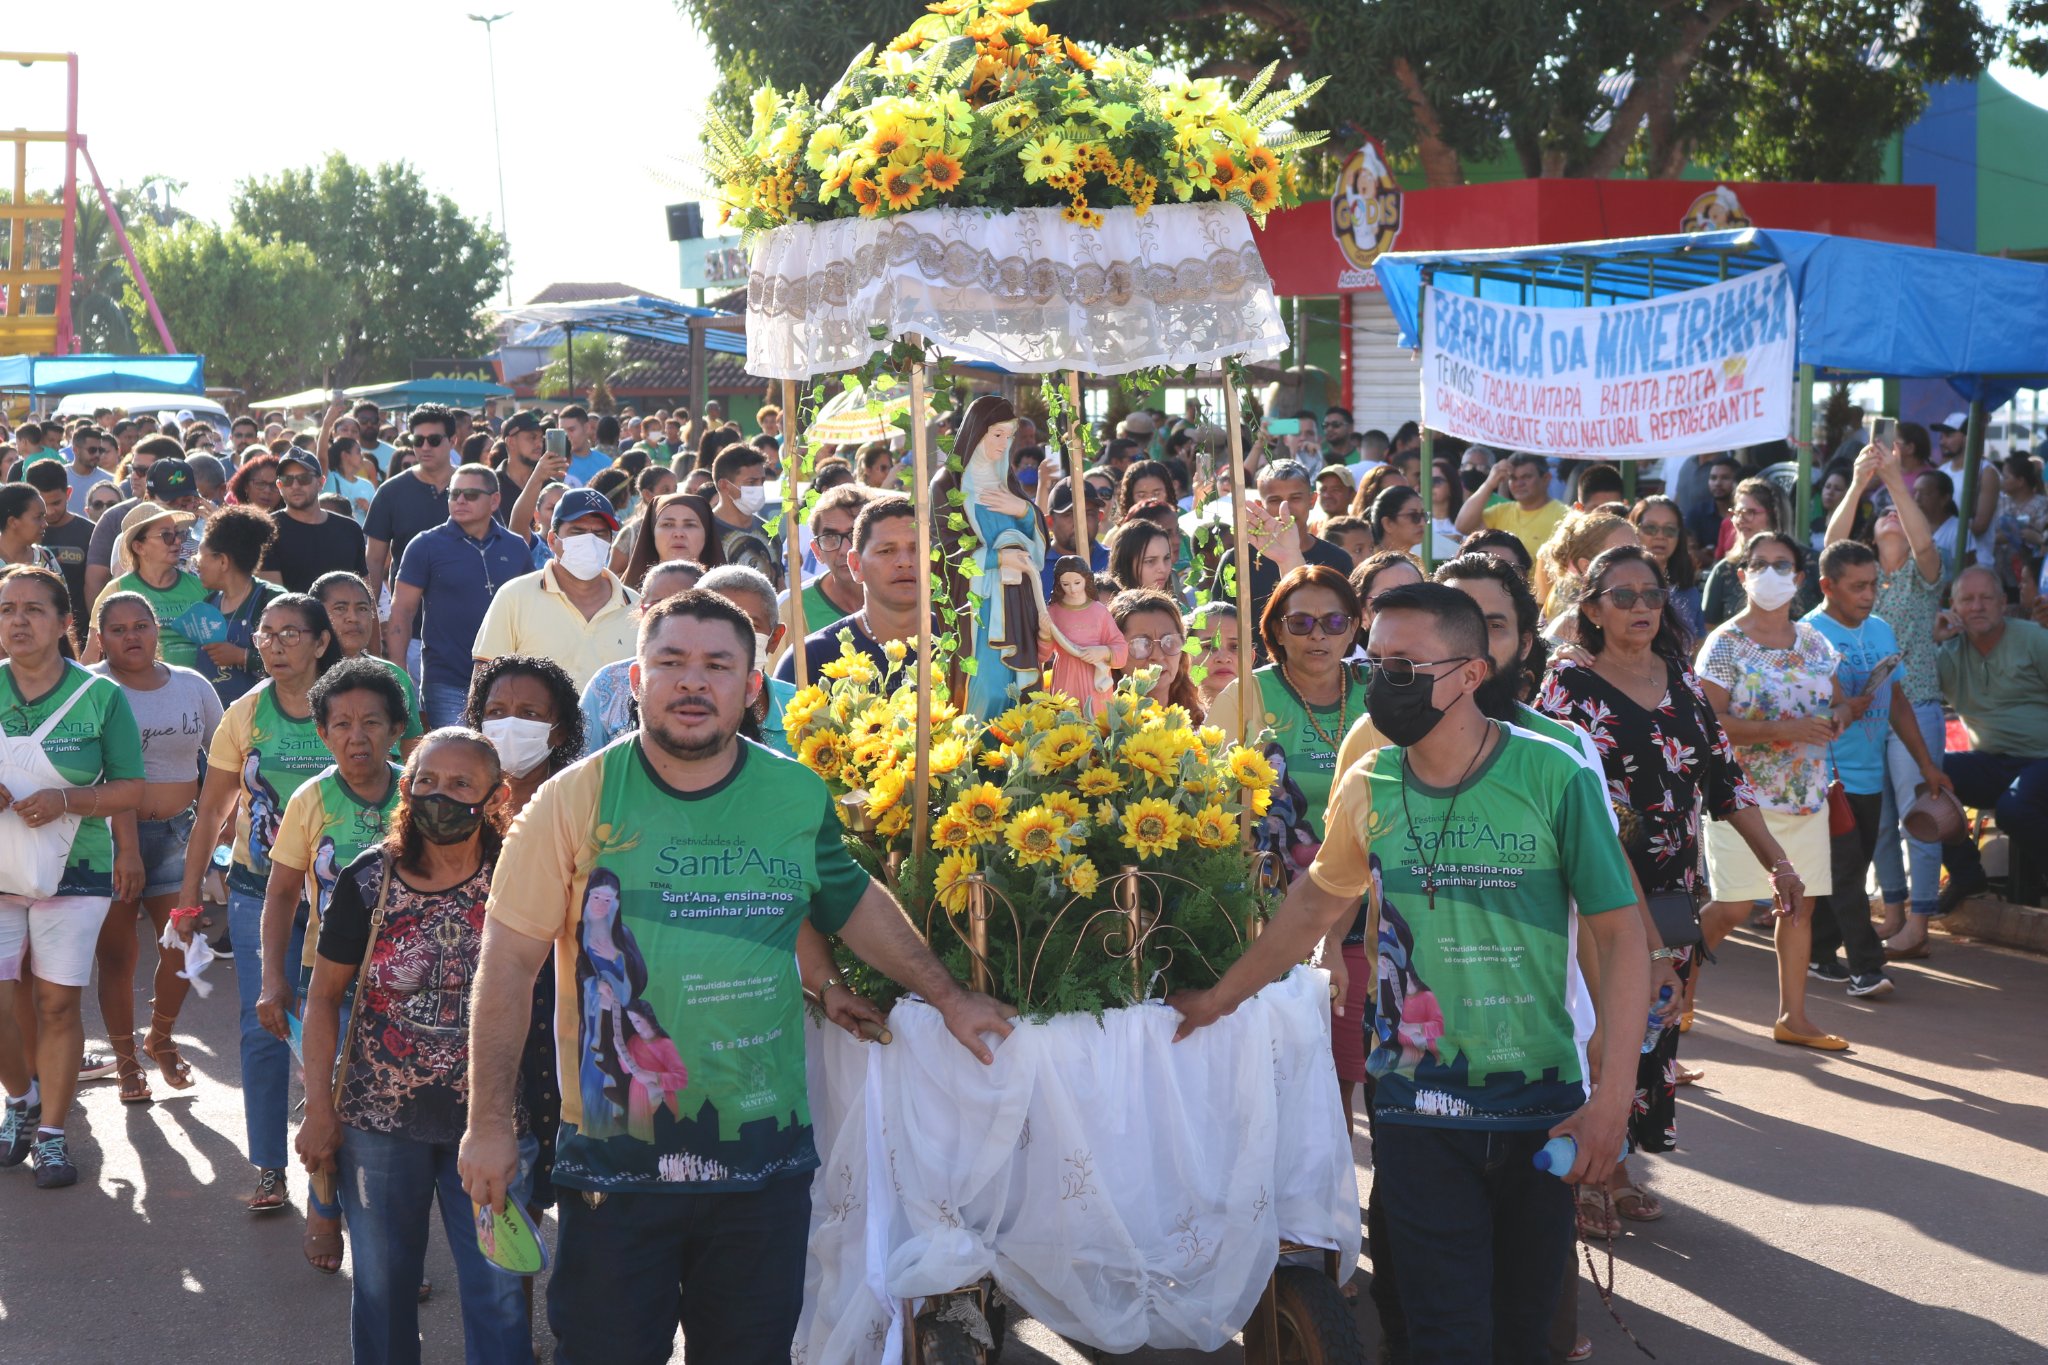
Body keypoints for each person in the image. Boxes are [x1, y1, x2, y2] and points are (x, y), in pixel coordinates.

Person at [457, 590, 1013, 1361]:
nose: (694, 682)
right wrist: (487, 1122)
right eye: (672, 663)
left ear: (753, 685)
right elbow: (508, 965)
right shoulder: (572, 800)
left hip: (762, 1169)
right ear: (635, 680)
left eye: (718, 665)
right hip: (617, 1169)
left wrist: (948, 996)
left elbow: (850, 902)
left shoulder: (793, 793)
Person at [1173, 582, 1647, 1365]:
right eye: (1376, 659)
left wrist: (1613, 1096)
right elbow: (1312, 906)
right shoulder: (1371, 784)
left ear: (1469, 672)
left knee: (1528, 1336)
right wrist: (1221, 997)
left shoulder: (1554, 776)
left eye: (1403, 662)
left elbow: (1621, 935)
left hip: (1541, 1105)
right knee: (1442, 1333)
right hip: (1418, 1108)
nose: (1380, 677)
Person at [297, 728, 531, 1361]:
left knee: (501, 1290)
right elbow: (322, 999)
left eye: (461, 785)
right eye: (427, 782)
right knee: (380, 1287)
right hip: (380, 1123)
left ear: (496, 795)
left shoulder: (522, 879)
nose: (441, 796)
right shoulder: (368, 879)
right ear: (406, 787)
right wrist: (320, 1109)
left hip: (492, 1126)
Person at [175, 593, 344, 1212]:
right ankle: (270, 1166)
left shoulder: (358, 704)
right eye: (265, 634)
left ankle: (344, 1175)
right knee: (264, 1022)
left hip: (345, 899)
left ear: (321, 642)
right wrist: (190, 895)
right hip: (256, 891)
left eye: (289, 634)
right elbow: (213, 809)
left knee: (347, 1024)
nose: (273, 645)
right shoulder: (245, 713)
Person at [1206, 565, 1372, 1110]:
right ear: (1275, 630)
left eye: (1333, 621)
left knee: (1346, 1079)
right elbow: (1212, 804)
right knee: (1273, 1084)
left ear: (1354, 628)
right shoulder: (1245, 696)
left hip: (1367, 918)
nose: (1317, 635)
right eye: (1300, 622)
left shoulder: (1381, 691)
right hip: (1265, 919)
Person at [0, 569, 145, 1188]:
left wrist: (66, 802)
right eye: (6, 609)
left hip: (77, 866)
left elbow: (132, 787)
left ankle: (52, 1136)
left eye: (34, 609)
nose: (17, 620)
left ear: (65, 624)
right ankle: (20, 1099)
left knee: (57, 1002)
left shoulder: (102, 697)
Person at [1693, 532, 1850, 1049]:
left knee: (1798, 907)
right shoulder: (1724, 643)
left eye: (1782, 565)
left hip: (1805, 795)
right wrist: (1786, 731)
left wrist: (1839, 717)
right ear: (1741, 575)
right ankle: (1676, 990)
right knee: (1733, 906)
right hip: (1740, 800)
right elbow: (1707, 722)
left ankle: (1794, 1017)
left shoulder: (1815, 642)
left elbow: (1837, 701)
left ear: (1800, 577)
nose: (1770, 573)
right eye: (1758, 564)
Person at [89, 593, 223, 1105]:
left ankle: (161, 1037)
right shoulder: (92, 689)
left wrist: (223, 830)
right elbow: (102, 771)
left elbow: (226, 756)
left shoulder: (192, 685)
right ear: (100, 638)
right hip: (110, 840)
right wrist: (126, 850)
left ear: (156, 629)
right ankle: (125, 1063)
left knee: (185, 945)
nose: (132, 636)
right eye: (118, 629)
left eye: (140, 625)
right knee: (118, 956)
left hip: (180, 838)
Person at [1804, 539, 1949, 995]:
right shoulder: (1807, 634)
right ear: (1828, 586)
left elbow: (1898, 701)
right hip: (1824, 779)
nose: (1869, 595)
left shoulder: (1883, 630)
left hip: (1868, 777)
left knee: (1846, 869)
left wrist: (1927, 764)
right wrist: (1843, 706)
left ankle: (1817, 951)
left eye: (1874, 585)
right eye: (1858, 586)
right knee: (1848, 872)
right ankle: (1867, 968)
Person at [1830, 444, 1949, 953]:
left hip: (1915, 707)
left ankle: (1919, 923)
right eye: (1883, 516)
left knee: (1918, 816)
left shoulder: (1921, 581)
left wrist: (1895, 480)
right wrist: (1859, 484)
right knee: (1874, 823)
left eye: (1899, 515)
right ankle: (1893, 913)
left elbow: (1925, 546)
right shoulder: (1859, 579)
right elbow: (1832, 546)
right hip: (1863, 715)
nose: (1892, 518)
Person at [1931, 564, 2048, 910]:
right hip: (1992, 762)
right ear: (1953, 607)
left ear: (2002, 603)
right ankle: (1967, 874)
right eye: (1967, 599)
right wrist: (1931, 637)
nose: (1977, 606)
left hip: (2043, 758)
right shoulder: (1948, 655)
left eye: (1986, 598)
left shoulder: (2034, 638)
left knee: (2016, 808)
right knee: (1924, 777)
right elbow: (1904, 688)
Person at [387, 464, 536, 730]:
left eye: (470, 494)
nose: (460, 500)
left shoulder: (516, 547)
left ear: (494, 500)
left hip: (508, 680)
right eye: (454, 494)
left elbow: (531, 609)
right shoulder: (425, 545)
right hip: (447, 680)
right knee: (456, 759)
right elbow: (401, 611)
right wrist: (400, 673)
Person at [472, 488, 640, 692]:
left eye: (599, 533)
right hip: (535, 723)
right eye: (577, 532)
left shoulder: (636, 607)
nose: (589, 541)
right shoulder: (515, 597)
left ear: (609, 542)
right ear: (552, 540)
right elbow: (485, 677)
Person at [1213, 460, 1356, 659]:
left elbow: (1349, 625)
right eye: (1274, 500)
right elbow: (1219, 623)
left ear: (1312, 500)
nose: (1285, 509)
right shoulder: (1237, 560)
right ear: (1259, 505)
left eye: (1295, 498)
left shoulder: (1337, 560)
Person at [777, 495, 926, 684]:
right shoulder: (809, 659)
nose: (904, 562)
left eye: (917, 549)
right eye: (887, 551)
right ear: (856, 565)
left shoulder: (960, 644)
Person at [310, 572, 426, 756]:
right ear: (316, 616)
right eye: (340, 608)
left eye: (362, 608)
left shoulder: (394, 676)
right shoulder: (301, 677)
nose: (353, 618)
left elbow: (412, 755)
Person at [697, 564, 801, 755]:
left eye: (750, 624)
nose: (731, 638)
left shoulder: (804, 712)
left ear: (775, 638)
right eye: (717, 622)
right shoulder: (681, 710)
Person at [88, 505, 207, 670]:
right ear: (139, 547)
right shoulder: (116, 591)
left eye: (179, 533)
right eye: (166, 535)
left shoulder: (202, 587)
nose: (178, 541)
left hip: (196, 690)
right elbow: (92, 656)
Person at [365, 405, 459, 609]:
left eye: (434, 440)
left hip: (469, 616)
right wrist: (373, 617)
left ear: (453, 441)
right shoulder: (390, 491)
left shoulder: (474, 486)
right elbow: (373, 560)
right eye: (418, 440)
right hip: (407, 623)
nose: (425, 447)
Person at [190, 506, 286, 705]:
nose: (196, 563)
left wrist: (241, 656)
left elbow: (295, 660)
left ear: (223, 561)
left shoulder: (272, 600)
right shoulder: (207, 604)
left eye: (200, 555)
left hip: (263, 716)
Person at [774, 484, 869, 665]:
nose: (845, 550)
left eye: (855, 535)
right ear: (816, 551)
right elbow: (773, 688)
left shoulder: (911, 599)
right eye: (830, 538)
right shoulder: (792, 609)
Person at [264, 450, 367, 594]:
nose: (295, 486)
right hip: (292, 615)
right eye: (287, 480)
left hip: (345, 616)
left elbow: (364, 590)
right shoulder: (266, 530)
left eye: (304, 478)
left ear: (321, 483)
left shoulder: (350, 529)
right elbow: (273, 597)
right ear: (279, 486)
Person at [1108, 587, 1203, 719]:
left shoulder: (1200, 724)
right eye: (1141, 644)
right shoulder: (1097, 730)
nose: (1157, 656)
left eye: (1169, 641)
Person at [23, 464, 92, 643]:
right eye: (44, 505)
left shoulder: (90, 533)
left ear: (68, 493)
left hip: (79, 634)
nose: (51, 511)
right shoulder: (20, 535)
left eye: (56, 503)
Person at [1453, 451, 1567, 559]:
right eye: (1513, 478)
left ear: (1546, 478)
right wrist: (1489, 483)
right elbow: (1463, 526)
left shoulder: (1564, 515)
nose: (1519, 484)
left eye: (1526, 477)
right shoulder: (1501, 511)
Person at [1628, 494, 1702, 643]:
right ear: (1634, 531)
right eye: (1650, 528)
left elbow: (1698, 646)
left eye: (1669, 530)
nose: (1660, 536)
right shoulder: (1618, 588)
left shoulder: (1688, 592)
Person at [619, 490, 725, 593]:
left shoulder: (729, 596)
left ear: (706, 533)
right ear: (652, 532)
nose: (678, 534)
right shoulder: (626, 600)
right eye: (667, 525)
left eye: (690, 525)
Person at [708, 443, 780, 586]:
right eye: (751, 482)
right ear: (724, 485)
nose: (759, 488)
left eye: (762, 481)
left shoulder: (769, 532)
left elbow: (779, 585)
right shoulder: (704, 532)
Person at [1187, 601, 1240, 713]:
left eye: (1235, 646)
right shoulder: (1171, 719)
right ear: (1186, 656)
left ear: (1251, 657)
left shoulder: (1271, 717)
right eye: (1209, 647)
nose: (1223, 658)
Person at [1107, 519, 1174, 596]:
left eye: (1166, 558)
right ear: (1126, 563)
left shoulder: (1177, 605)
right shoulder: (1106, 607)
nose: (1163, 569)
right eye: (1150, 561)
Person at [324, 438, 378, 520]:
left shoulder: (367, 485)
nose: (362, 456)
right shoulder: (330, 479)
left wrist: (368, 509)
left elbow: (378, 518)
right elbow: (322, 458)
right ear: (345, 455)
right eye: (358, 452)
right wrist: (326, 427)